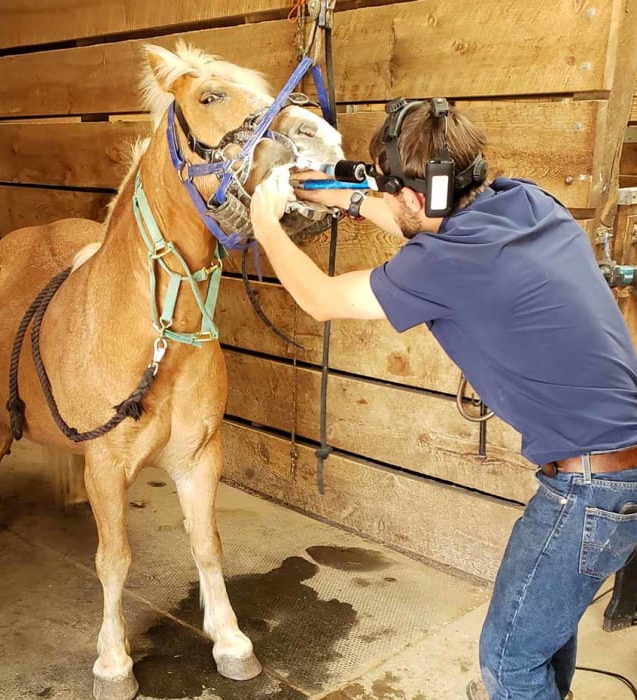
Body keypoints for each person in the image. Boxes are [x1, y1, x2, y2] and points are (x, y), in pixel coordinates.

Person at [248, 98, 637, 700]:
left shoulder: (439, 263)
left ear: (415, 194)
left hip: (592, 491)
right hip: (613, 476)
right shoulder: (525, 200)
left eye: (389, 190)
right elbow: (427, 219)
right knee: (542, 635)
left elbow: (322, 299)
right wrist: (341, 195)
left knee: (508, 660)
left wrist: (266, 223)